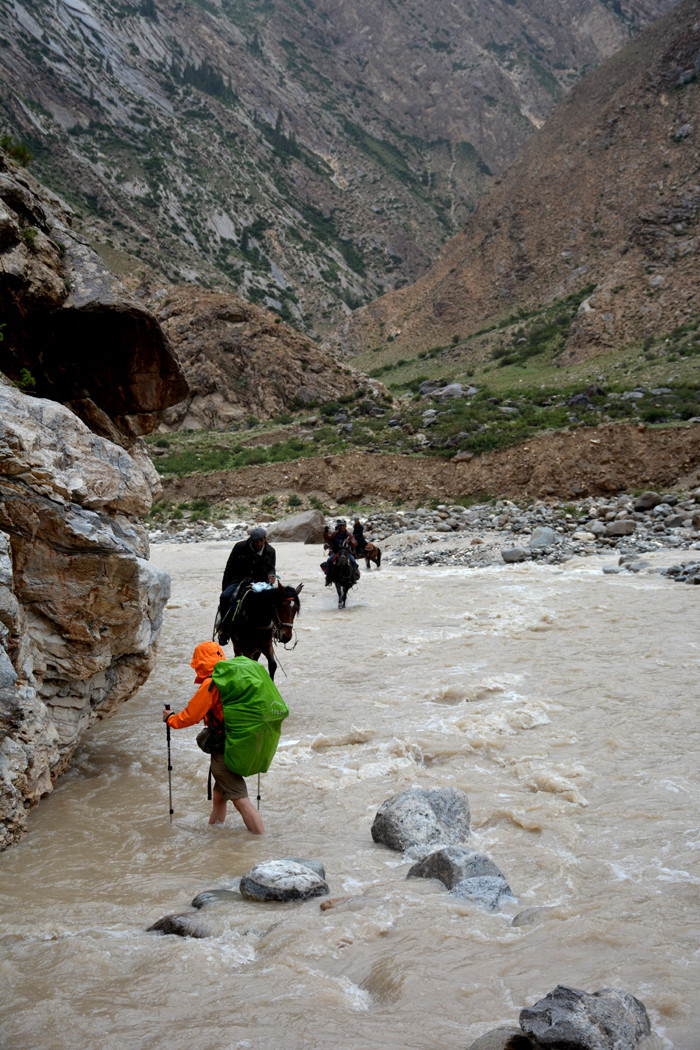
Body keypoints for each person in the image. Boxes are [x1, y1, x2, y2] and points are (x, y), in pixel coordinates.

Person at [162, 641, 265, 833]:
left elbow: (192, 715)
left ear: (199, 661)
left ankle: (260, 841)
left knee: (241, 800)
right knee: (220, 796)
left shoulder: (212, 683)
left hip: (224, 747)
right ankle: (215, 833)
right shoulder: (233, 676)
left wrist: (171, 720)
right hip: (240, 742)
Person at [218, 527, 277, 644]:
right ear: (251, 540)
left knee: (276, 599)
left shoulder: (270, 551)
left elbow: (271, 569)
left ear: (265, 539)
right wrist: (225, 587)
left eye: (261, 541)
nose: (258, 544)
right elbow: (229, 567)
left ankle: (277, 631)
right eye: (256, 541)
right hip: (239, 580)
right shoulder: (240, 547)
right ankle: (224, 630)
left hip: (260, 582)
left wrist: (271, 576)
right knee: (225, 597)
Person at [321, 518, 360, 584]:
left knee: (353, 562)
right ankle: (328, 577)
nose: (342, 527)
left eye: (343, 526)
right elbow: (328, 538)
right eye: (340, 526)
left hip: (346, 553)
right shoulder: (334, 533)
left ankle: (353, 577)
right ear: (338, 526)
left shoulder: (349, 535)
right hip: (337, 552)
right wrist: (326, 531)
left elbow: (355, 543)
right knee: (329, 561)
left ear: (345, 526)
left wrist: (350, 542)